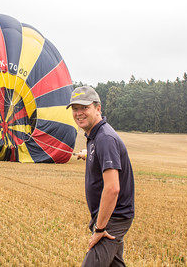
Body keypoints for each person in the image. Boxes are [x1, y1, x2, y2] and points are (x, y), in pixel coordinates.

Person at [67, 86, 135, 267]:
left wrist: (100, 228)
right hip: (110, 216)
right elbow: (98, 154)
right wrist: (85, 153)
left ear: (98, 108)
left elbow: (112, 188)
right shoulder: (95, 137)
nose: (79, 113)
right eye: (75, 108)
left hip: (113, 218)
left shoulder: (105, 138)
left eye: (84, 108)